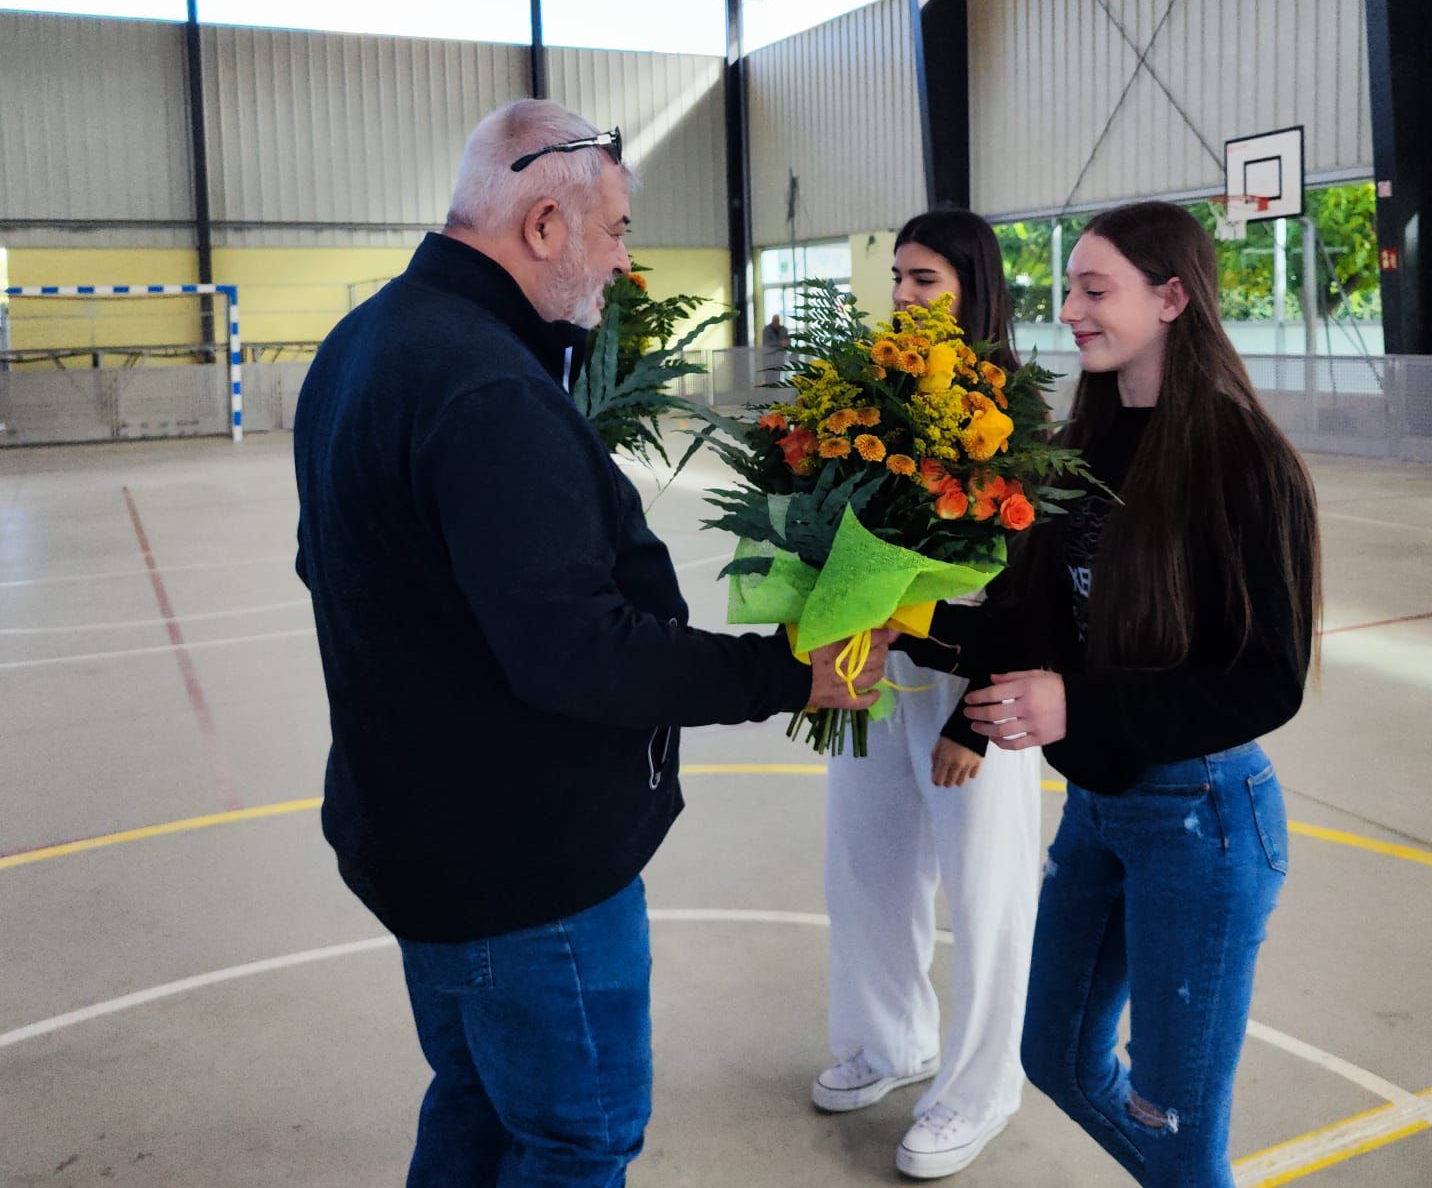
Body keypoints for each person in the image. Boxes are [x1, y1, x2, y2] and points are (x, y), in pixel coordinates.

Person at [291, 99, 888, 1188]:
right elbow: (581, 654)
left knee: (476, 1105)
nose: (623, 261)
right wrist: (786, 670)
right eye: (613, 230)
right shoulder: (484, 386)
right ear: (543, 227)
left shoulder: (368, 342)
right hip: (525, 871)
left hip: (424, 836)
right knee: (575, 1141)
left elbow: (327, 563)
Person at [926, 201, 1320, 1188]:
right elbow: (1027, 624)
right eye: (1068, 289)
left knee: (1174, 1123)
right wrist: (907, 623)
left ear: (1172, 297)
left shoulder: (1240, 460)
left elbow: (1265, 678)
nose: (1068, 310)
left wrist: (1079, 708)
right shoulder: (1081, 449)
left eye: (1093, 290)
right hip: (1098, 808)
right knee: (1053, 1058)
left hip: (1203, 818)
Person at [812, 209, 1043, 1180]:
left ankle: (980, 1085)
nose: (904, 297)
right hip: (877, 674)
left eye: (926, 282)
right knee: (862, 869)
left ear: (973, 290)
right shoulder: (869, 396)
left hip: (970, 693)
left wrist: (975, 718)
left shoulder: (1014, 415)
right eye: (898, 278)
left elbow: (1031, 593)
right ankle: (889, 1039)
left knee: (984, 892)